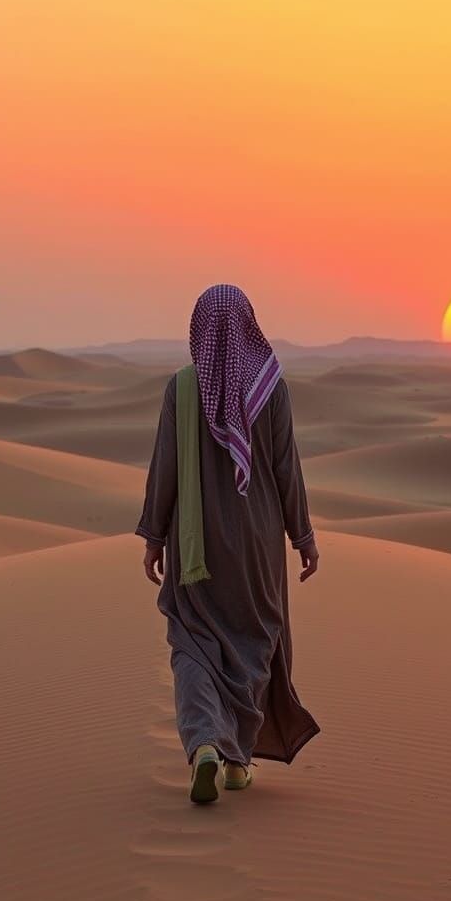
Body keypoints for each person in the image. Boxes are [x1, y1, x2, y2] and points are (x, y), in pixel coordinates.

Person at [135, 283, 322, 804]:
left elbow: (165, 470)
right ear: (249, 327)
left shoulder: (181, 388)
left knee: (193, 641)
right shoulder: (271, 389)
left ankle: (207, 746)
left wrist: (154, 535)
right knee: (254, 643)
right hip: (258, 544)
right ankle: (237, 760)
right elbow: (287, 469)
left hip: (196, 543)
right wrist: (302, 535)